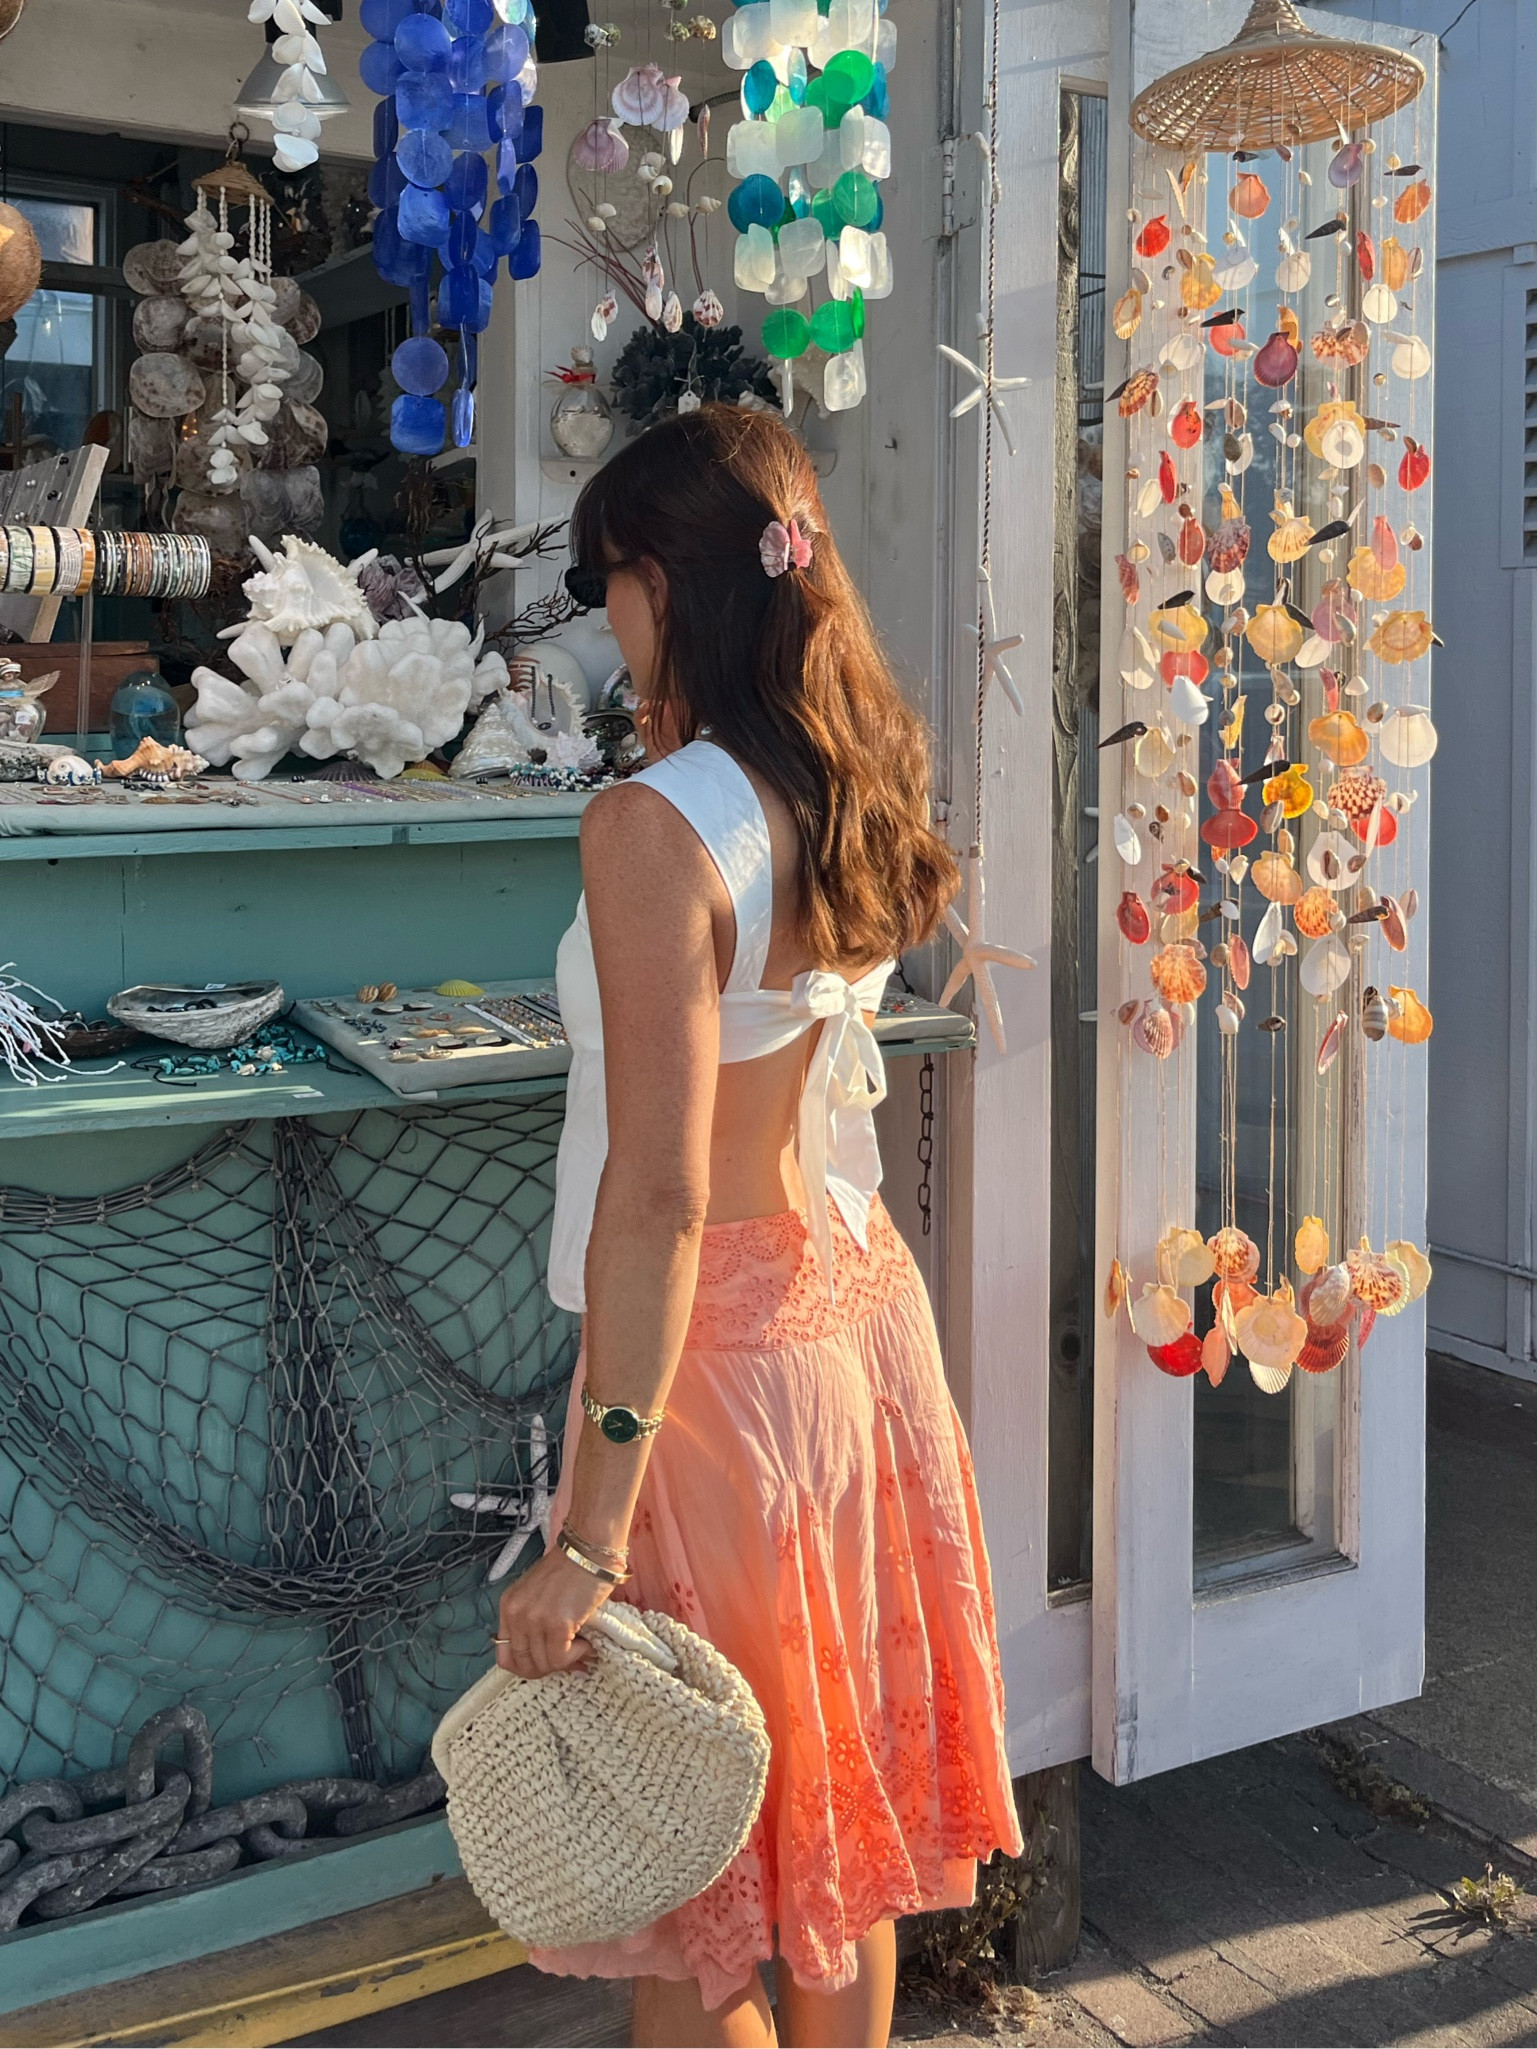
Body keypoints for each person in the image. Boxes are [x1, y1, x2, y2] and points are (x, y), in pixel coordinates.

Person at [494, 405, 1022, 2049]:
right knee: (830, 1853)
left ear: (664, 584)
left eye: (605, 582)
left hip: (711, 1372)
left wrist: (585, 1534)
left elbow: (654, 1200)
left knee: (700, 1885)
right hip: (854, 1327)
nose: (605, 617)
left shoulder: (657, 827)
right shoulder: (846, 768)